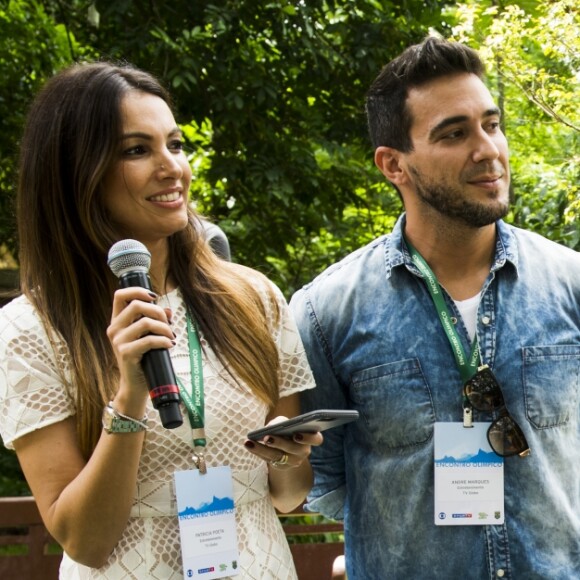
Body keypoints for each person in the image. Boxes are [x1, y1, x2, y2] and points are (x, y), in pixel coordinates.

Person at [0, 61, 322, 579]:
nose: (172, 167)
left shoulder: (253, 297)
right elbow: (83, 540)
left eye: (174, 143)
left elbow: (289, 497)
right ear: (77, 172)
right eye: (136, 150)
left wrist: (287, 456)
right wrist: (129, 398)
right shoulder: (30, 329)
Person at [290, 36, 580, 579]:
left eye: (491, 125)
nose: (487, 149)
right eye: (454, 133)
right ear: (393, 165)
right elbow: (322, 478)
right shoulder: (325, 312)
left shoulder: (571, 284)